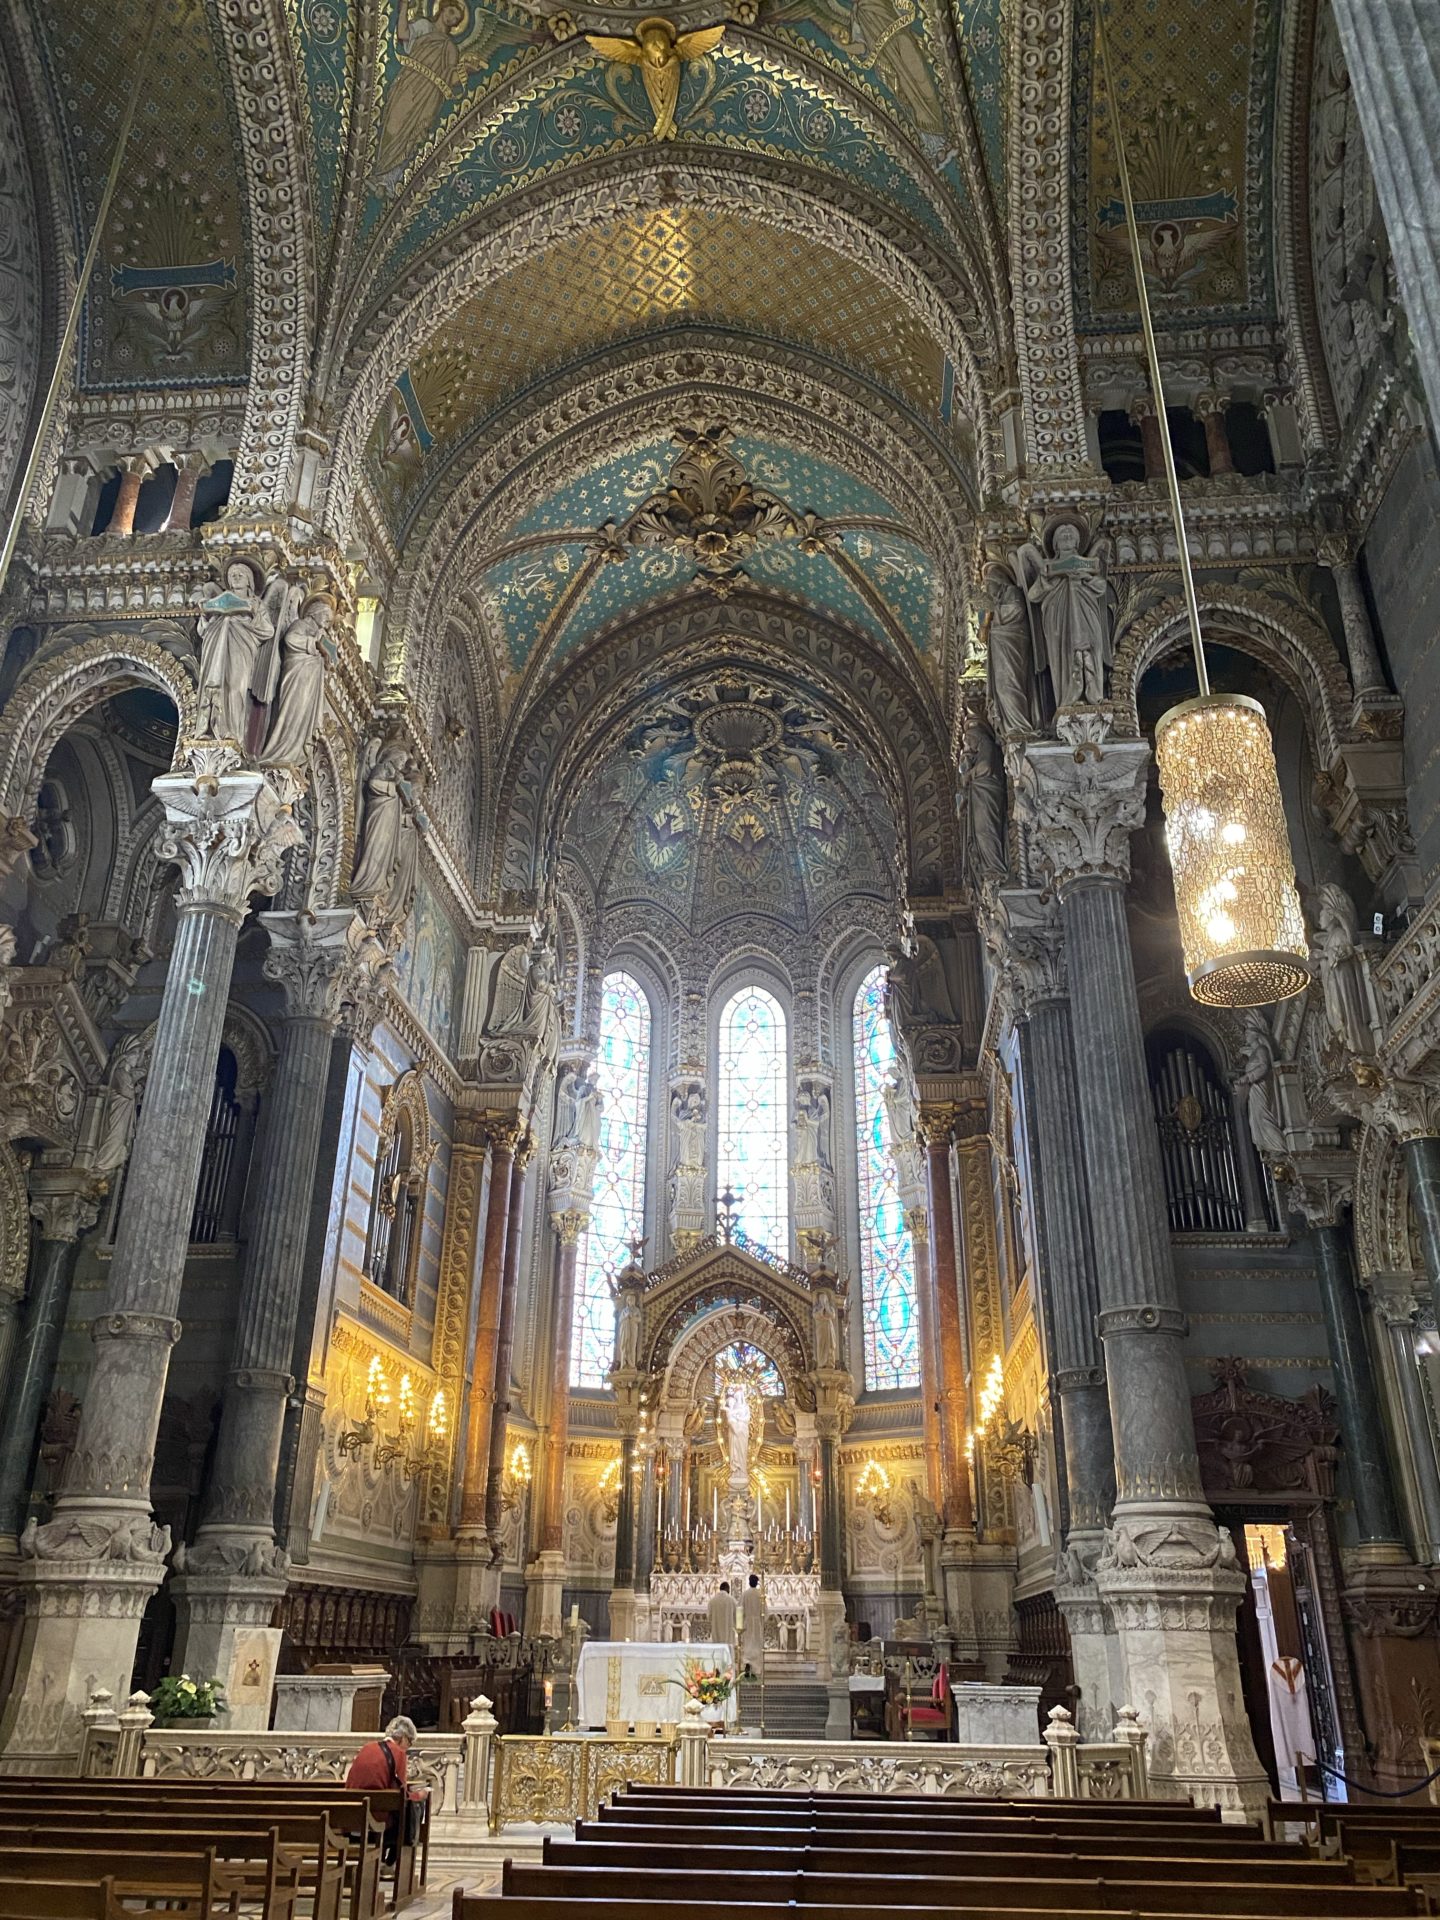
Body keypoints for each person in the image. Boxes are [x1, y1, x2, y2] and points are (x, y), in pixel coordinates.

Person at [345, 1716, 417, 1862]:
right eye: (409, 1743)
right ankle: (391, 1861)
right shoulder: (399, 1753)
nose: (407, 1748)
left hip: (352, 1815)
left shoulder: (367, 1748)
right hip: (376, 1818)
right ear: (402, 1738)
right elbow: (400, 1792)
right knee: (411, 1810)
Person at [740, 1571, 766, 1679]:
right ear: (756, 1583)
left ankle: (747, 1664)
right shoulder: (760, 1594)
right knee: (755, 1644)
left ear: (749, 1582)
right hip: (757, 1623)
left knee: (747, 1644)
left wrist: (741, 1622)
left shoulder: (745, 1594)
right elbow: (765, 1611)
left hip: (747, 1622)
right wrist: (761, 1620)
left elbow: (740, 1609)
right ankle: (755, 1669)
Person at [706, 1579, 737, 1662]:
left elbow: (709, 1617)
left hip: (716, 1631)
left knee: (717, 1655)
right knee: (728, 1654)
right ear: (727, 1589)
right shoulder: (732, 1600)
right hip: (729, 1632)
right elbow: (737, 1617)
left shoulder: (712, 1601)